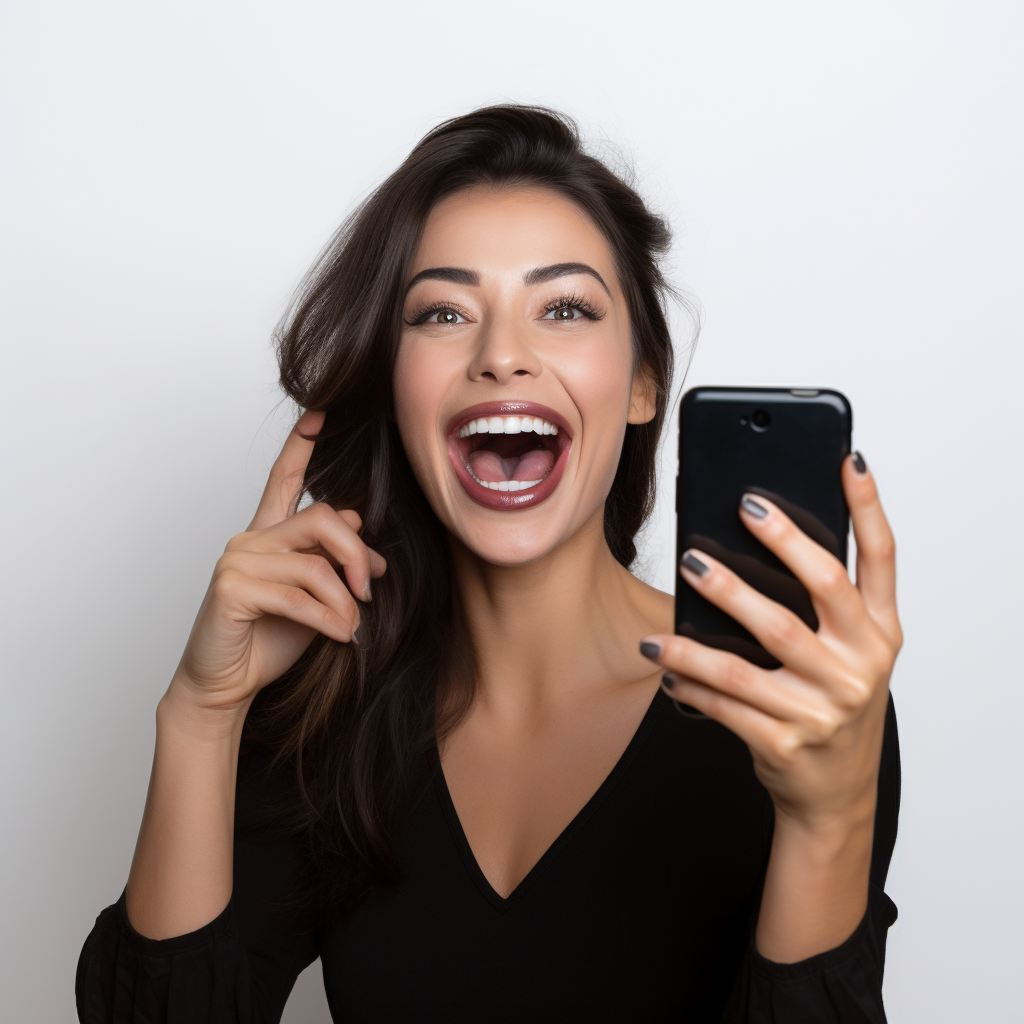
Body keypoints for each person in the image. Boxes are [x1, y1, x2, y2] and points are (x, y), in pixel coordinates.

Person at [75, 105, 902, 1023]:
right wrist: (200, 715)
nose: (502, 354)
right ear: (394, 384)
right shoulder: (328, 702)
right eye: (443, 312)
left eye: (564, 308)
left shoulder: (790, 702)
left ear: (641, 384)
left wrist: (830, 820)